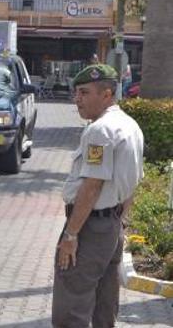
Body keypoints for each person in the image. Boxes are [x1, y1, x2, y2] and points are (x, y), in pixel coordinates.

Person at [52, 64, 144, 327]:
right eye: (76, 93)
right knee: (104, 305)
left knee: (71, 307)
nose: (76, 99)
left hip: (90, 228)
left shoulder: (100, 130)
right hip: (111, 225)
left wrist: (71, 235)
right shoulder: (130, 125)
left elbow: (92, 186)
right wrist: (120, 222)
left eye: (84, 92)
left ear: (106, 94)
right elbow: (132, 181)